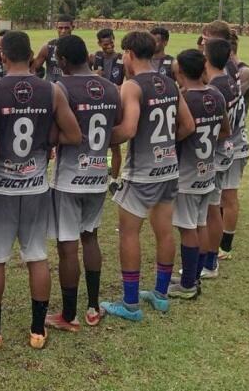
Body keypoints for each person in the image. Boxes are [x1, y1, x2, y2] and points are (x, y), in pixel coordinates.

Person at [0, 30, 81, 350]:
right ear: (32, 56)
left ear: (2, 58)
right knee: (37, 256)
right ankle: (37, 331)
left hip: (1, 187)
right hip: (36, 187)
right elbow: (73, 135)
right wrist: (47, 139)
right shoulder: (52, 91)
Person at [100, 31, 194, 321]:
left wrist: (99, 139)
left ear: (128, 53)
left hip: (142, 173)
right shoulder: (169, 83)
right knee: (164, 231)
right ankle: (161, 295)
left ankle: (130, 305)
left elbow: (127, 130)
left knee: (129, 233)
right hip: (169, 170)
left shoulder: (132, 86)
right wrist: (164, 145)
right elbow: (188, 125)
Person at [45, 35, 122, 331]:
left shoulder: (61, 87)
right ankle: (92, 307)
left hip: (69, 177)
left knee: (67, 247)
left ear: (63, 61)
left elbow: (55, 131)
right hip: (99, 174)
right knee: (90, 237)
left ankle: (68, 315)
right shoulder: (111, 88)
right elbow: (117, 129)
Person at [167, 49, 230, 299]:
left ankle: (188, 286)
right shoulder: (215, 95)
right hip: (208, 169)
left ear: (180, 71)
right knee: (200, 223)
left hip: (187, 173)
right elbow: (226, 130)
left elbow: (173, 134)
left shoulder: (184, 100)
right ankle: (192, 275)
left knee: (187, 228)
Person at [201, 37, 240, 280]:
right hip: (228, 149)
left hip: (216, 153)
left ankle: (209, 262)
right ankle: (210, 260)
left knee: (211, 210)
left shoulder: (214, 89)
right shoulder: (230, 81)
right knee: (214, 207)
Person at [219, 32, 249, 260]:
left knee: (229, 195)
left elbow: (224, 100)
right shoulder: (223, 73)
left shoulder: (243, 72)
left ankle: (226, 246)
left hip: (236, 143)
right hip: (222, 143)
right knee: (220, 194)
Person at [92, 28, 125, 194]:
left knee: (115, 145)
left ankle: (114, 180)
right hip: (97, 106)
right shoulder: (95, 57)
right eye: (106, 44)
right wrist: (94, 74)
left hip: (113, 104)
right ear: (99, 44)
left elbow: (130, 82)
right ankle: (97, 174)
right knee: (97, 144)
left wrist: (117, 87)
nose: (110, 46)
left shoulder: (122, 59)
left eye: (111, 42)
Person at [31, 15, 74, 83]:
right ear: (56, 28)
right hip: (52, 88)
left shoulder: (78, 47)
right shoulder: (48, 48)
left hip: (71, 87)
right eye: (60, 28)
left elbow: (86, 70)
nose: (63, 31)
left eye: (66, 28)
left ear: (72, 28)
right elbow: (33, 69)